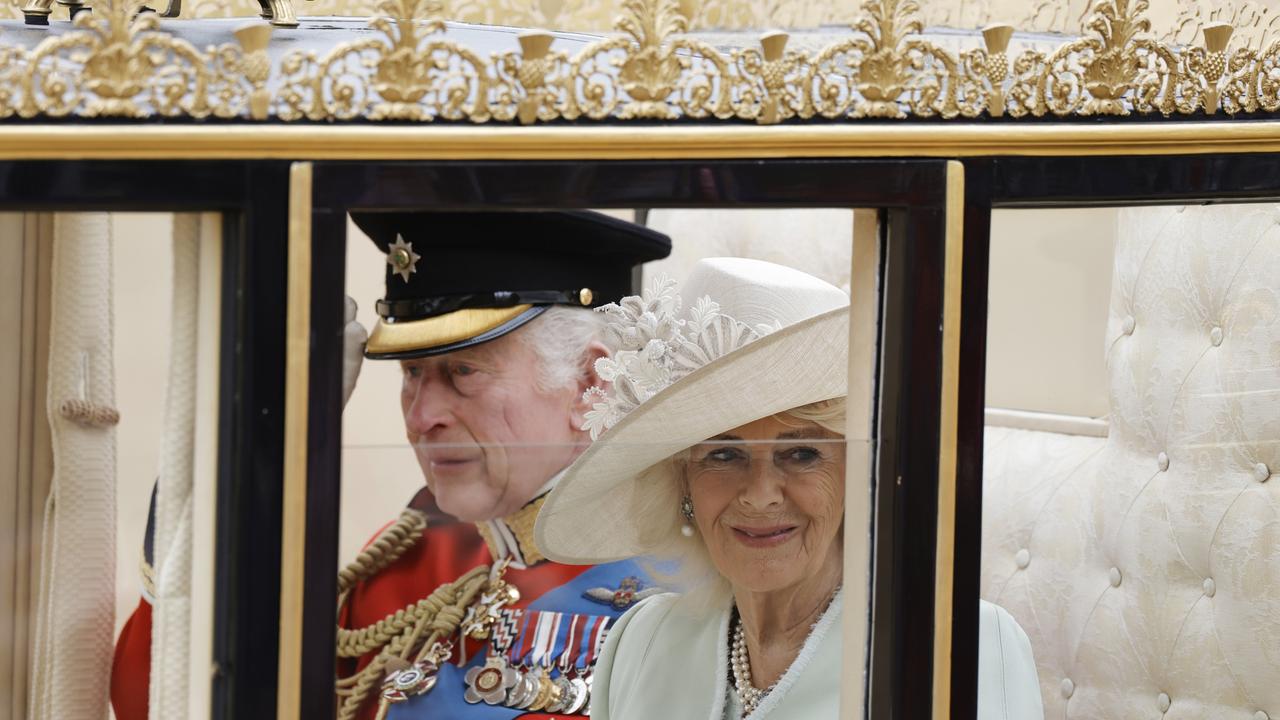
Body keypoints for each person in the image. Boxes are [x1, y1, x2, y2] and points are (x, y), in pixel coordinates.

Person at [110, 210, 672, 720]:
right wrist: (242, 444)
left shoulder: (683, 583)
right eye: (411, 374)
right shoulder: (418, 559)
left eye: (462, 372)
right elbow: (158, 698)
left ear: (589, 386)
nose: (421, 416)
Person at [534, 257, 1045, 719]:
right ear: (680, 478)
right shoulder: (640, 643)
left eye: (801, 453)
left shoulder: (961, 649)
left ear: (857, 474)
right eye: (723, 453)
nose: (760, 495)